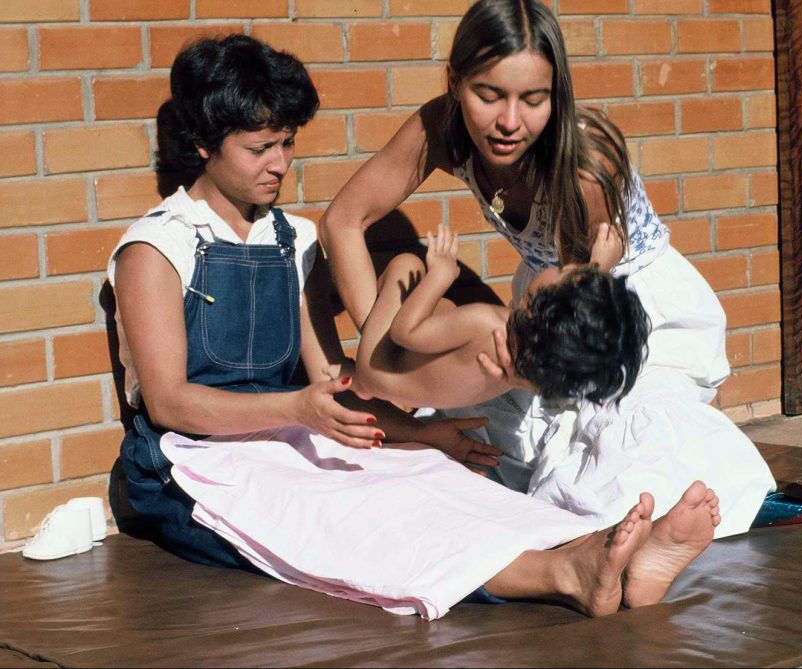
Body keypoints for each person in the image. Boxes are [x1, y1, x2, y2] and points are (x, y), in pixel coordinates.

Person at [108, 33, 720, 620]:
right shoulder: (156, 249)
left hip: (288, 434)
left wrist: (420, 434)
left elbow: (333, 377)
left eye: (287, 143)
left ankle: (608, 552)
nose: (280, 164)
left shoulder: (291, 241)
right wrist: (297, 409)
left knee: (427, 475)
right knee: (359, 518)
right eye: (259, 148)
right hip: (188, 461)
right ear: (204, 144)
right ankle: (562, 573)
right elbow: (169, 403)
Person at [321, 0, 776, 541]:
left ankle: (641, 534)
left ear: (556, 94)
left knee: (613, 438)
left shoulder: (585, 165)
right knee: (482, 443)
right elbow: (343, 221)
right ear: (455, 81)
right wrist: (385, 362)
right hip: (545, 306)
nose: (509, 122)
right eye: (488, 94)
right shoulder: (441, 127)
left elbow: (586, 290)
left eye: (533, 100)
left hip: (614, 311)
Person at [351, 223, 650, 410]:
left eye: (561, 271)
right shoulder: (533, 364)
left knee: (407, 266)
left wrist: (440, 275)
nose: (561, 265)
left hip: (378, 369)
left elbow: (405, 332)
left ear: (543, 304)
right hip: (416, 392)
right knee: (444, 309)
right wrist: (597, 268)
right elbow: (575, 325)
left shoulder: (488, 323)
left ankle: (358, 383)